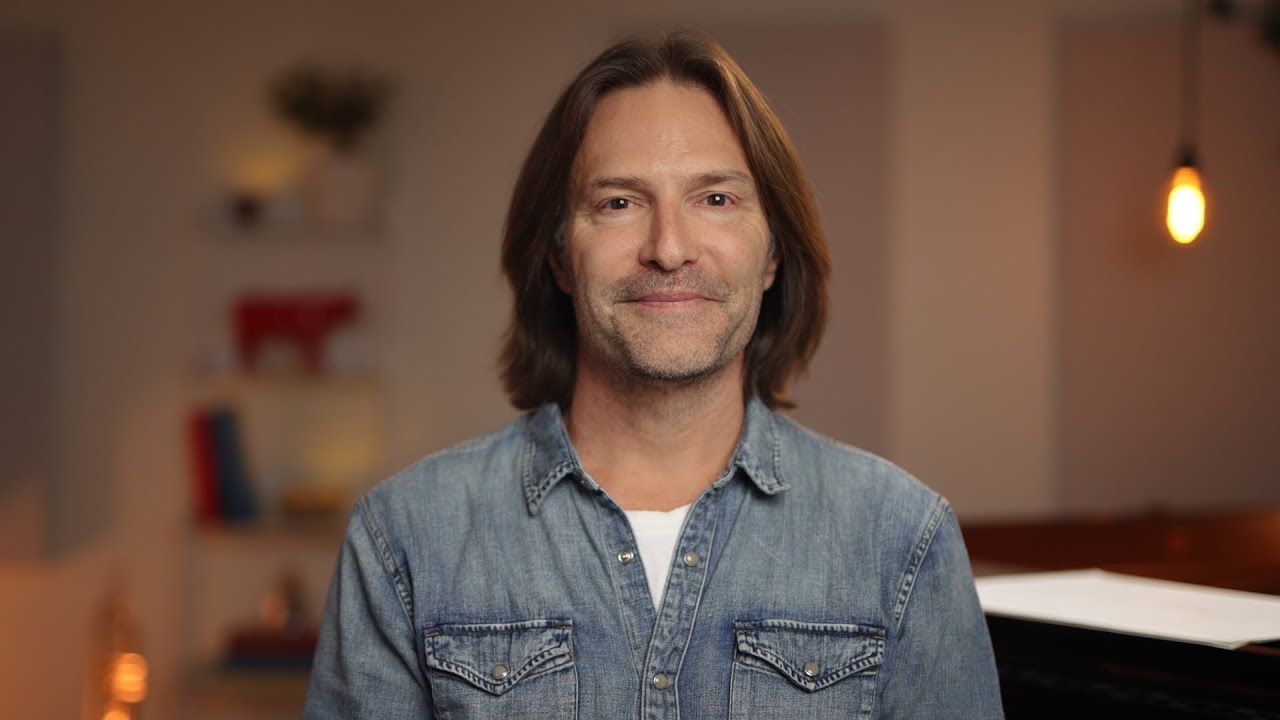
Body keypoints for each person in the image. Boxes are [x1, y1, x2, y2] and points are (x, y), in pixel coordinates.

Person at [302, 30, 1003, 719]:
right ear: (558, 257)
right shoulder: (407, 538)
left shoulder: (902, 538)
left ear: (772, 257)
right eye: (618, 203)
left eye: (716, 199)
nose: (669, 248)